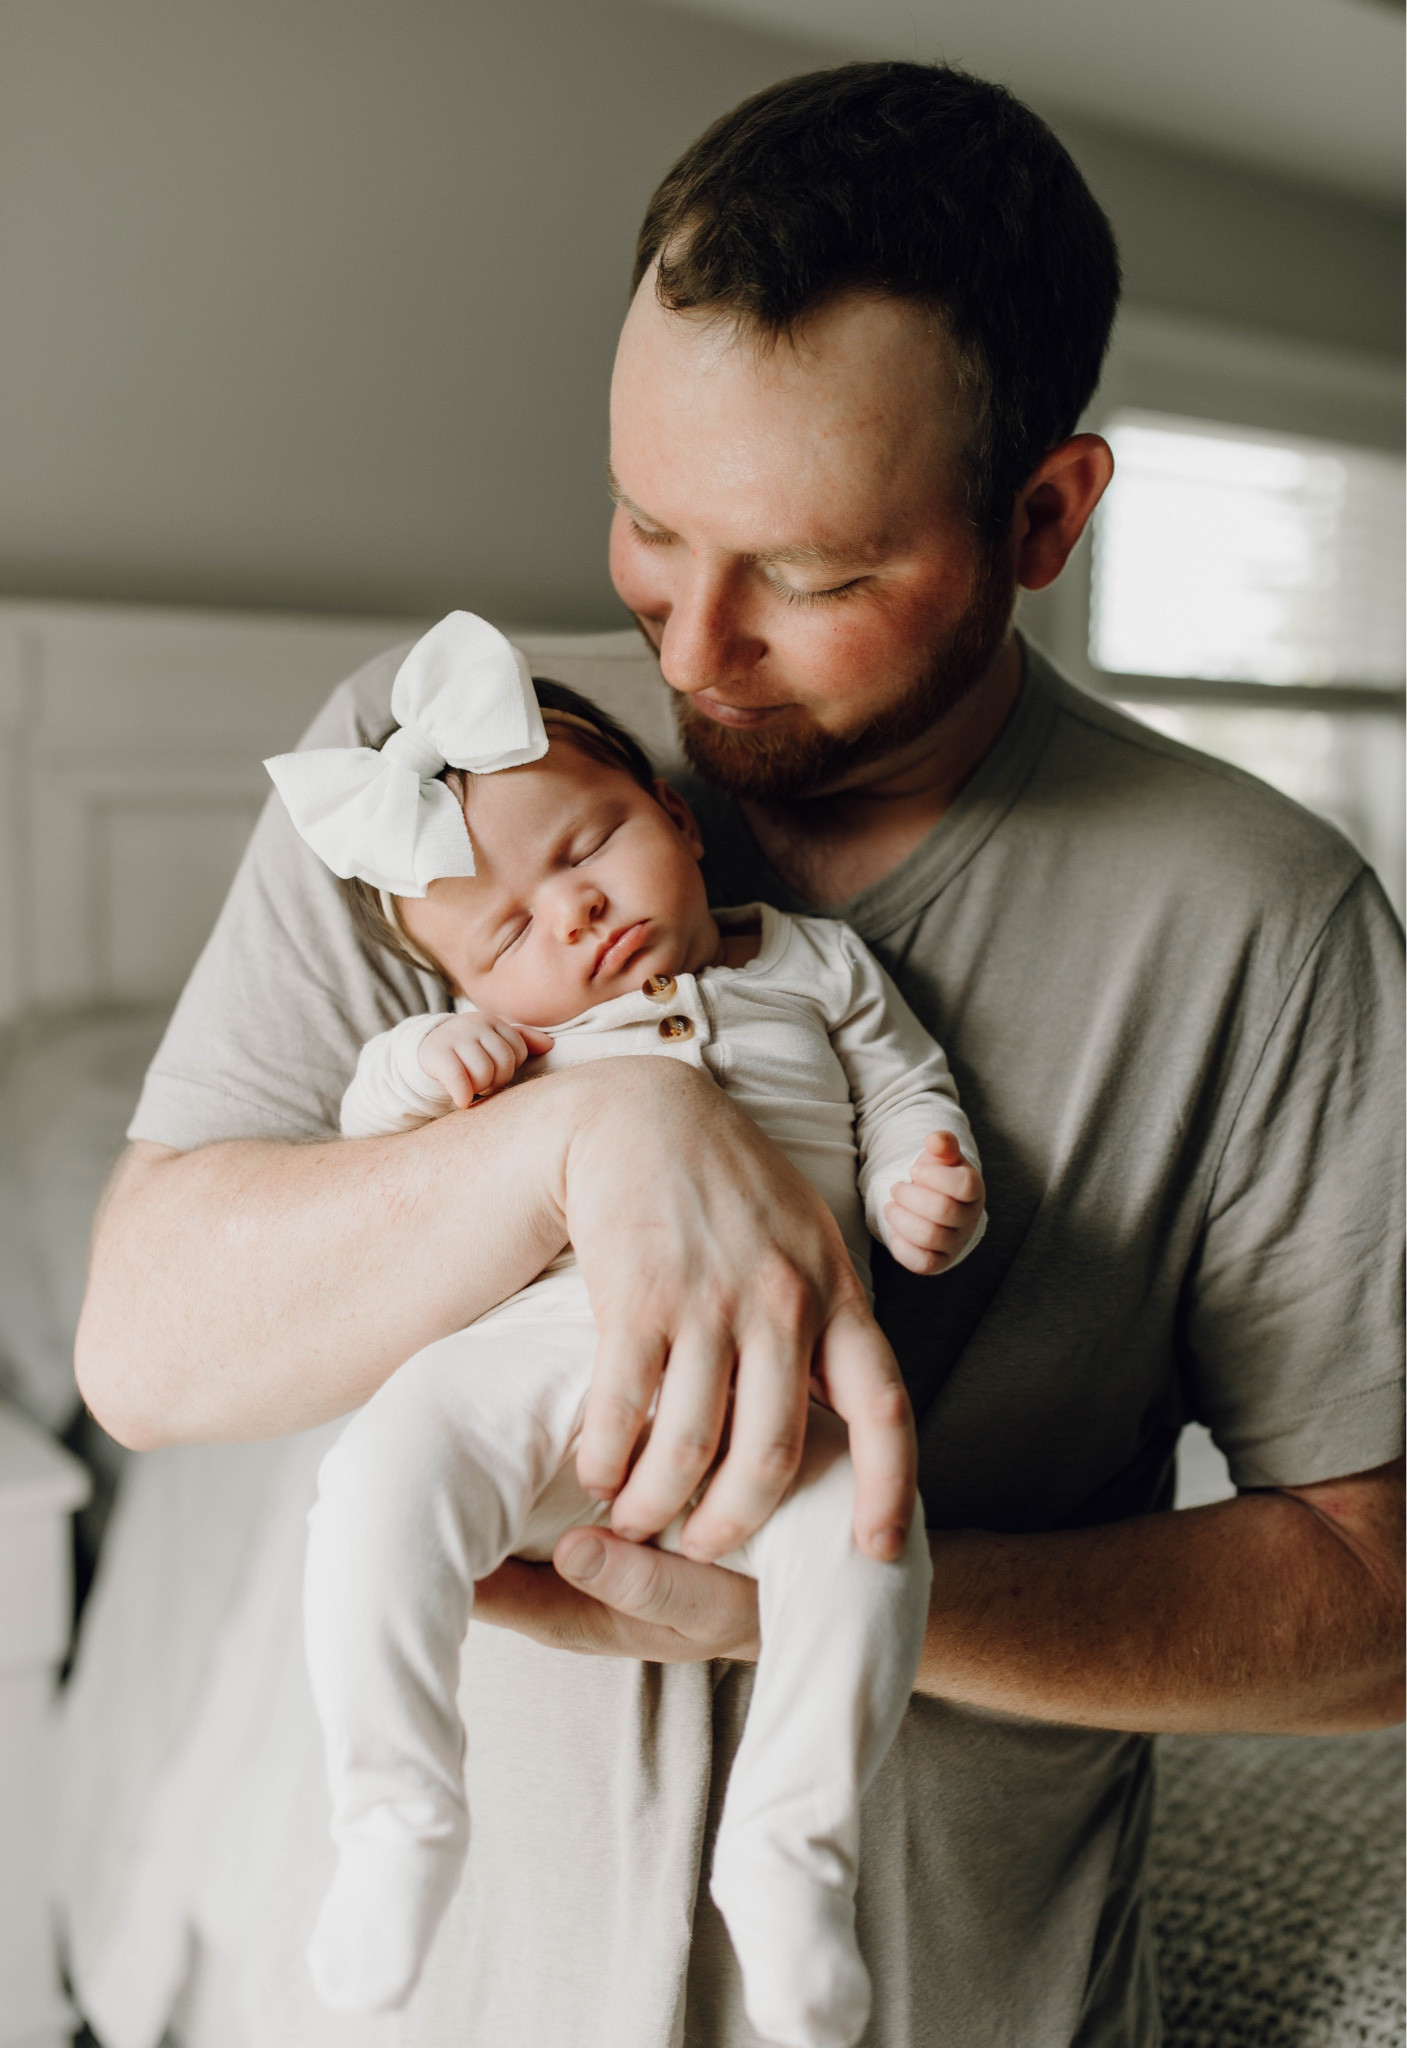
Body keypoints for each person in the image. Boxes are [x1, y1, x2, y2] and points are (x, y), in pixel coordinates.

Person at [75, 60, 1403, 2048]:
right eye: (641, 524)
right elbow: (151, 1349)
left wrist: (825, 1599)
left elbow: (1369, 1612)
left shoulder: (1257, 917)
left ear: (1042, 515)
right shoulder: (444, 787)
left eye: (808, 571)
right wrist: (580, 1141)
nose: (691, 643)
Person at [279, 613, 981, 2044]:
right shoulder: (514, 1043)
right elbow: (368, 1147)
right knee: (380, 1472)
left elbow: (909, 1087)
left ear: (674, 817)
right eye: (511, 931)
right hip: (547, 1357)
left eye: (588, 848)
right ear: (469, 985)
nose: (575, 914)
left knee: (870, 1540)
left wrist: (926, 1178)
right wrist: (425, 1063)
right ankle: (397, 1813)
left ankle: (791, 1854)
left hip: (779, 1388)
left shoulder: (816, 966)